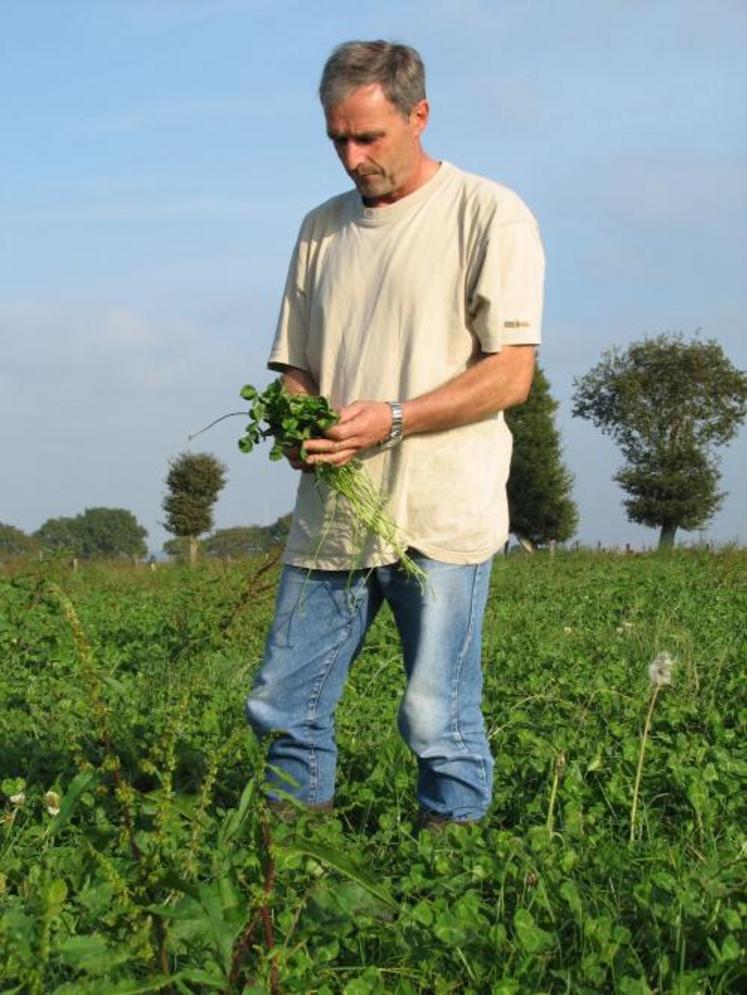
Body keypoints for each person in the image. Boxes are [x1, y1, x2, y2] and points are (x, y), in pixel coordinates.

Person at [246, 40, 544, 826]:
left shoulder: (488, 212)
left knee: (432, 715)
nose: (350, 157)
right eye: (337, 139)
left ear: (419, 115)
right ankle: (293, 864)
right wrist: (298, 421)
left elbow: (510, 373)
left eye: (368, 137)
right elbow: (294, 369)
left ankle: (445, 875)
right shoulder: (319, 229)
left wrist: (397, 417)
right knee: (283, 702)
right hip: (334, 514)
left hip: (440, 515)